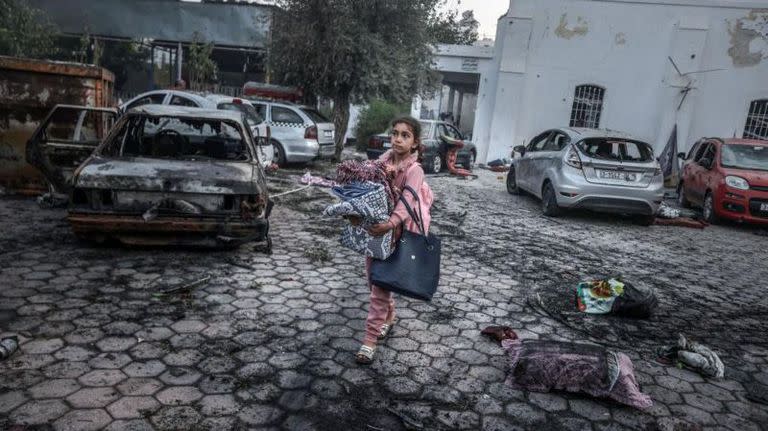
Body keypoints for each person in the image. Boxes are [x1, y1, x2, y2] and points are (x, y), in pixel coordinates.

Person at [354, 116, 434, 365]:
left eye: (405, 135)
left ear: (415, 143)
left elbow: (407, 201)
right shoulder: (381, 162)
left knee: (379, 288)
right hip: (377, 230)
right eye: (395, 133)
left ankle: (369, 340)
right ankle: (389, 318)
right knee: (373, 279)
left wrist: (390, 224)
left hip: (399, 232)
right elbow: (367, 187)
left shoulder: (414, 169)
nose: (398, 139)